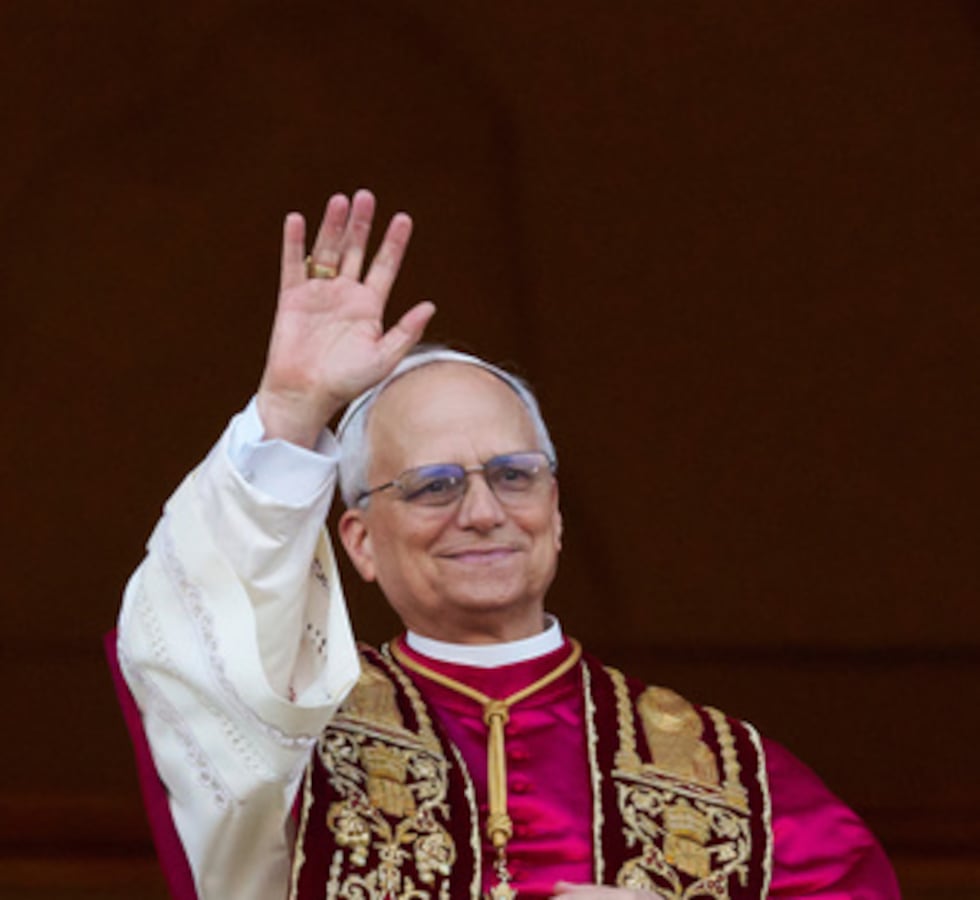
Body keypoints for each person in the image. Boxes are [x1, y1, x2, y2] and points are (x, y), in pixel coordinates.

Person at [116, 190, 901, 900]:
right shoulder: (288, 738)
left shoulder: (734, 777)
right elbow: (190, 654)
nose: (484, 512)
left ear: (555, 512)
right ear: (360, 542)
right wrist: (290, 411)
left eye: (514, 476)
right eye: (432, 486)